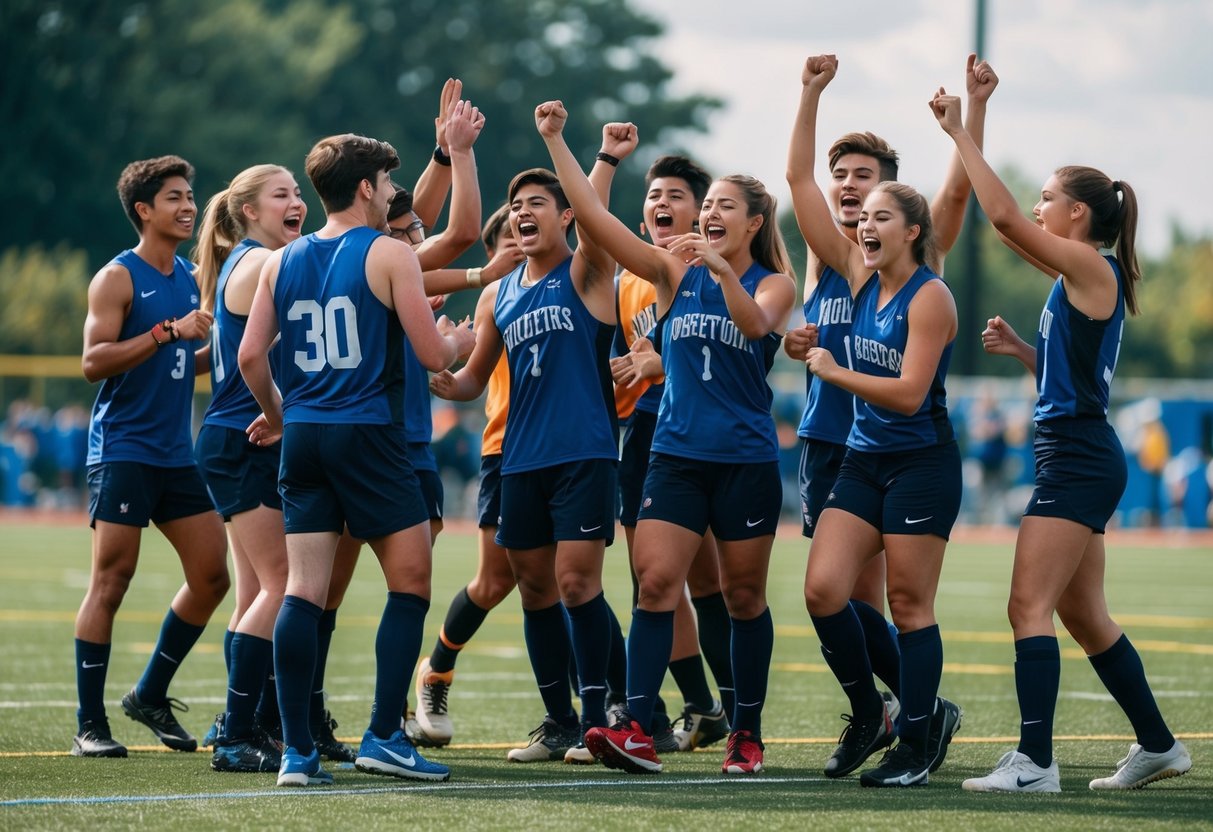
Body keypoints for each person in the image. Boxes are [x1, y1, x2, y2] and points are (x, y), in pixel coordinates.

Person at [931, 85, 1193, 793]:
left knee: (1026, 606)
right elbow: (1074, 369)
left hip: (1076, 454)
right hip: (1076, 448)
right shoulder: (1078, 272)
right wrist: (1025, 350)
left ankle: (1034, 764)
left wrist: (961, 135)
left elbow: (1004, 219)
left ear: (1077, 213)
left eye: (1050, 196)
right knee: (1084, 615)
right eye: (1042, 195)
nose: (1040, 205)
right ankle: (1159, 746)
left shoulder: (1088, 263)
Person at [530, 101, 797, 776]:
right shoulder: (670, 270)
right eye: (708, 205)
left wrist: (724, 269)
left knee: (741, 598)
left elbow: (757, 327)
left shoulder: (772, 283)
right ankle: (637, 730)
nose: (709, 214)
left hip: (743, 461)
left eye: (725, 206)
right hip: (674, 457)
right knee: (654, 585)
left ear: (754, 222)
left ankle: (746, 733)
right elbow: (593, 221)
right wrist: (561, 142)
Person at [238, 131, 476, 787]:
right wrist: (461, 340)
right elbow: (432, 356)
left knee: (302, 593)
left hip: (307, 436)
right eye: (390, 185)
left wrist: (281, 413)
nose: (395, 196)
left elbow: (250, 357)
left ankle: (295, 754)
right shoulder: (388, 253)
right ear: (367, 188)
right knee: (411, 583)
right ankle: (382, 736)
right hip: (368, 433)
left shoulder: (280, 261)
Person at [785, 53, 996, 780]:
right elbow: (799, 182)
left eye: (878, 212)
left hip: (916, 459)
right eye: (859, 216)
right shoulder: (854, 271)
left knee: (908, 603)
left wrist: (966, 118)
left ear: (908, 228)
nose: (861, 220)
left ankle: (914, 738)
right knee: (822, 591)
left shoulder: (928, 292)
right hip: (854, 454)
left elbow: (908, 394)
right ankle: (893, 711)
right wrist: (809, 92)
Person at [430, 127, 636, 762]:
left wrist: (574, 148)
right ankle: (560, 722)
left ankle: (607, 713)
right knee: (536, 589)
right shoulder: (498, 292)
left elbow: (596, 213)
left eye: (536, 204)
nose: (521, 213)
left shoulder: (588, 269)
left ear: (567, 216)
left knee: (577, 583)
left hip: (584, 454)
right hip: (518, 459)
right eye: (515, 205)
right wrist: (440, 368)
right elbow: (471, 380)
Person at [74, 155, 229, 758]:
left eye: (190, 196)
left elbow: (177, 361)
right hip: (122, 451)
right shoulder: (116, 277)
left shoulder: (190, 276)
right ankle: (90, 724)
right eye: (175, 197)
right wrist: (167, 331)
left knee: (213, 575)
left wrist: (222, 349)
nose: (189, 206)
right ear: (144, 210)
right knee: (111, 581)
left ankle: (149, 694)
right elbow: (94, 363)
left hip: (174, 454)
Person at [606, 155, 735, 755]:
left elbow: (748, 349)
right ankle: (681, 708)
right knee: (653, 580)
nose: (662, 203)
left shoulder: (720, 275)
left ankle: (728, 709)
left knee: (711, 582)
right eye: (654, 195)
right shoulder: (629, 278)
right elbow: (619, 369)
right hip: (648, 437)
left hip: (707, 438)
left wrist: (663, 364)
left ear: (702, 215)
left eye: (678, 195)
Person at [192, 163, 308, 772]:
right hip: (247, 440)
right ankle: (238, 735)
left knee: (252, 592)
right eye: (281, 195)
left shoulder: (250, 258)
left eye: (298, 192)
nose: (297, 203)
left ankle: (238, 723)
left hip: (230, 438)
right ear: (249, 212)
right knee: (281, 585)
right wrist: (281, 415)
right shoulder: (264, 261)